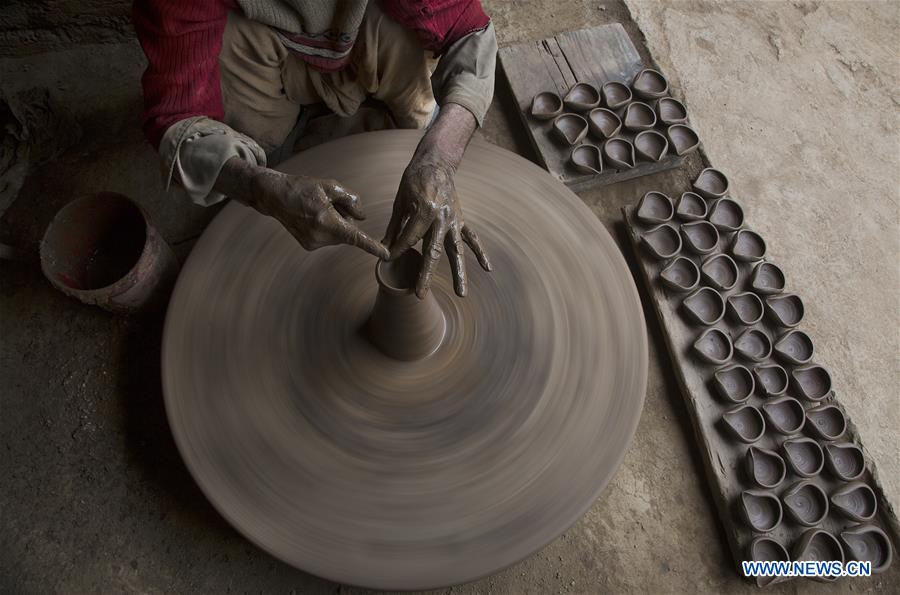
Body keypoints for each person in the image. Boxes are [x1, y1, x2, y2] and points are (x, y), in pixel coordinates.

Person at [134, 0, 497, 298]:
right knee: (231, 62)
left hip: (369, 32)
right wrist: (258, 186)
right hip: (268, 46)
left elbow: (467, 33)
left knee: (413, 61)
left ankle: (410, 133)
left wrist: (440, 158)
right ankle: (273, 148)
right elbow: (178, 116)